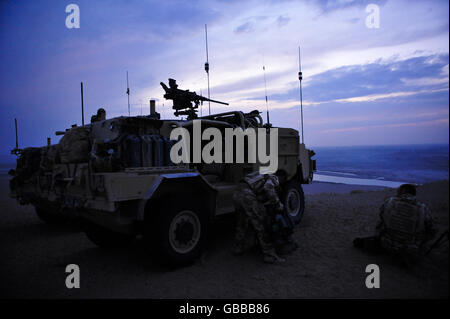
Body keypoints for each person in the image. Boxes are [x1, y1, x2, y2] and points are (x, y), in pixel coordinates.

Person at [353, 184, 436, 266]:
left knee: (381, 223)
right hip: (409, 247)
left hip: (386, 242)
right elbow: (431, 228)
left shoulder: (390, 201)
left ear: (402, 192)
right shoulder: (423, 208)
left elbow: (381, 216)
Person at [232, 170, 288, 264]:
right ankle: (270, 255)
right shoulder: (274, 177)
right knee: (261, 225)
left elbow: (258, 192)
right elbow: (268, 188)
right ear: (281, 177)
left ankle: (238, 247)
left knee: (242, 223)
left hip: (237, 193)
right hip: (247, 195)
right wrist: (279, 205)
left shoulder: (261, 174)